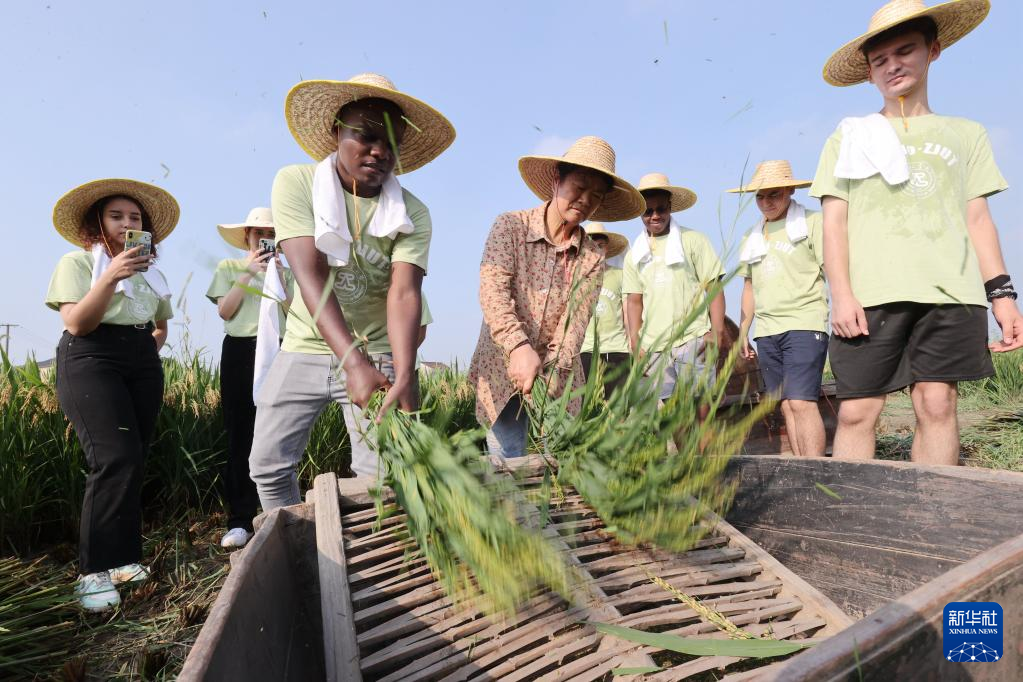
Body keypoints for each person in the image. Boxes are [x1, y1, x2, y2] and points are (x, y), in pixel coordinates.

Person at [811, 0, 1022, 465]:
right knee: (856, 411)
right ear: (868, 74)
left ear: (934, 51)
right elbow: (834, 221)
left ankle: (935, 520)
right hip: (871, 295)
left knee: (937, 404)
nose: (893, 66)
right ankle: (856, 525)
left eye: (905, 51)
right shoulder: (849, 137)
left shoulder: (965, 134)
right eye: (880, 60)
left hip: (949, 291)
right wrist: (841, 294)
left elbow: (978, 220)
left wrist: (1003, 295)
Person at [250, 73, 455, 509]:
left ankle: (364, 558)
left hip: (378, 348)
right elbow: (311, 275)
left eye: (391, 144)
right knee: (267, 465)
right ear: (336, 133)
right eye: (365, 135)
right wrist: (349, 360)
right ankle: (298, 546)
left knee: (381, 475)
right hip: (305, 344)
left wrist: (402, 373)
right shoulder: (296, 183)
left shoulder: (411, 212)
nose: (379, 151)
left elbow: (403, 293)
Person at [46, 179, 178, 611]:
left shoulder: (152, 272)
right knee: (112, 457)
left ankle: (123, 560)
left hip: (139, 360)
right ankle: (92, 572)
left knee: (134, 457)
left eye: (135, 218)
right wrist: (111, 275)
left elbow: (160, 327)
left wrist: (143, 354)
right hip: (90, 356)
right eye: (116, 217)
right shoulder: (78, 262)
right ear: (98, 223)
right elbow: (77, 323)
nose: (126, 224)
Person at [469, 136, 645, 457]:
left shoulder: (591, 257)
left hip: (558, 381)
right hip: (501, 372)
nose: (584, 200)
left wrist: (551, 378)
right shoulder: (510, 227)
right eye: (578, 187)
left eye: (595, 196)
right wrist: (519, 348)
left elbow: (574, 326)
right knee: (507, 463)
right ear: (557, 181)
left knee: (561, 468)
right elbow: (493, 291)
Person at [207, 207, 293, 548]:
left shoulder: (290, 270)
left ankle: (281, 511)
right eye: (259, 233)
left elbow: (297, 312)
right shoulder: (229, 267)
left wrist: (281, 275)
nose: (265, 239)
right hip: (242, 349)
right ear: (247, 236)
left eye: (273, 233)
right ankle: (240, 520)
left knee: (281, 434)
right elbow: (225, 311)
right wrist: (248, 272)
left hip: (283, 348)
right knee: (241, 434)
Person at [731, 161, 829, 457]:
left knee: (802, 401)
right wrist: (743, 333)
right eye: (760, 196)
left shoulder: (813, 223)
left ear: (789, 191)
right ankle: (803, 471)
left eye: (773, 194)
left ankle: (816, 472)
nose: (766, 202)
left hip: (804, 322)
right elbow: (749, 287)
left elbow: (831, 268)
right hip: (768, 330)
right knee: (786, 404)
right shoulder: (752, 236)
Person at [624, 173, 725, 405]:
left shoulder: (694, 241)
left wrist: (717, 333)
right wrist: (634, 340)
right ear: (640, 212)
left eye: (661, 209)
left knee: (700, 407)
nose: (655, 215)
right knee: (670, 413)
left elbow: (714, 287)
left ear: (670, 208)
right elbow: (634, 301)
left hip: (693, 338)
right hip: (654, 347)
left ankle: (704, 444)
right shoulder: (635, 255)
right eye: (648, 211)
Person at [578, 222, 631, 396]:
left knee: (617, 406)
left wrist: (633, 345)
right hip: (586, 349)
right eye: (591, 247)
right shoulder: (575, 279)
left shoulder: (619, 275)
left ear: (607, 248)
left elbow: (627, 312)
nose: (596, 251)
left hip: (616, 348)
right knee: (586, 406)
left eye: (600, 246)